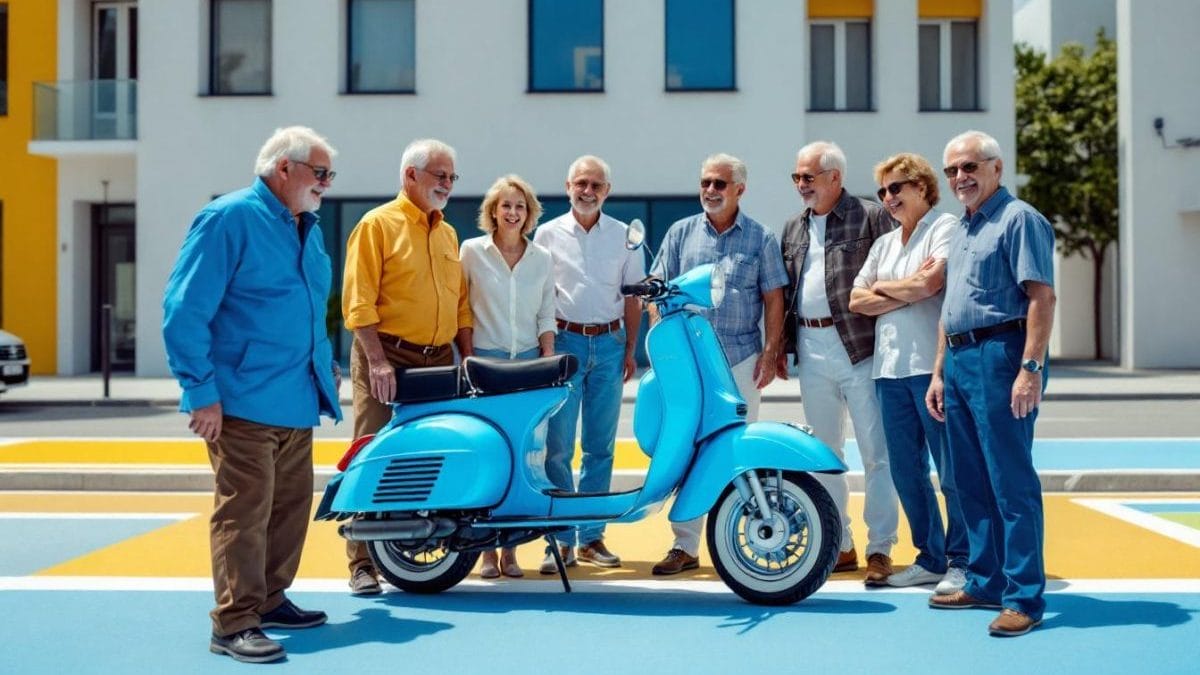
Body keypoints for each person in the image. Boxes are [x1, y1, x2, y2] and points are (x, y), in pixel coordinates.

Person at [162, 126, 342, 664]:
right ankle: (234, 622)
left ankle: (268, 597)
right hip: (239, 401)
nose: (326, 185)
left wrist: (323, 364)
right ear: (283, 168)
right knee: (244, 513)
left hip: (294, 398)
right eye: (320, 173)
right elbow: (184, 310)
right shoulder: (228, 218)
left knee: (288, 509)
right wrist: (200, 391)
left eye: (330, 176)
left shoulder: (304, 227)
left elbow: (308, 309)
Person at [925, 130, 1056, 638]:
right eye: (953, 170)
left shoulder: (1019, 219)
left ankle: (1024, 598)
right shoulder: (960, 228)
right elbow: (949, 306)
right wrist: (938, 372)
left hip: (1001, 356)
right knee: (970, 481)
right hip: (958, 358)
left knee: (1010, 483)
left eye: (970, 167)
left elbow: (1041, 299)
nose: (961, 177)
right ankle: (984, 581)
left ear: (996, 168)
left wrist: (1031, 369)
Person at [341, 138, 472, 595]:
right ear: (410, 176)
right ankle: (361, 562)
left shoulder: (448, 233)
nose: (448, 185)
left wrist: (466, 356)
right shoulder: (377, 225)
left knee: (428, 452)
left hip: (437, 358)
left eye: (453, 177)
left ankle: (409, 547)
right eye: (440, 175)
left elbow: (460, 305)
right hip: (387, 354)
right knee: (372, 449)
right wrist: (377, 361)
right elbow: (357, 301)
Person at [647, 154, 788, 575]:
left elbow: (774, 298)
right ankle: (685, 546)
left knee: (737, 451)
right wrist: (664, 352)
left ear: (739, 189)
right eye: (706, 182)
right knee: (689, 451)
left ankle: (749, 540)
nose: (710, 190)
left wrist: (770, 350)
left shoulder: (761, 238)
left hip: (741, 360)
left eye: (720, 184)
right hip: (691, 367)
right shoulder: (680, 233)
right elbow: (657, 292)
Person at [776, 141, 899, 586]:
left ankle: (880, 547)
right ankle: (841, 543)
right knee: (823, 453)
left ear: (834, 178)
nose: (801, 185)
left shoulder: (871, 216)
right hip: (811, 346)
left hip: (861, 346)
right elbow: (784, 295)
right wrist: (780, 348)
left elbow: (895, 273)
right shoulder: (792, 227)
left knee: (876, 454)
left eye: (808, 177)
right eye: (796, 177)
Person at [848, 152, 968, 594]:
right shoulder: (883, 243)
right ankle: (930, 557)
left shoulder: (945, 227)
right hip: (889, 370)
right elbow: (856, 300)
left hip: (928, 367)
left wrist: (889, 289)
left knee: (951, 471)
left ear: (921, 186)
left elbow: (931, 285)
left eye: (895, 188)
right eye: (881, 191)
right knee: (904, 471)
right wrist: (904, 291)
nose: (887, 197)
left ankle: (962, 560)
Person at [532, 155, 645, 574]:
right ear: (567, 186)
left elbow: (632, 295)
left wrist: (631, 346)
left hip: (611, 344)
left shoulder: (624, 236)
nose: (588, 191)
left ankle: (592, 537)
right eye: (581, 183)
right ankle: (560, 541)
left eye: (596, 185)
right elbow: (539, 295)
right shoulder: (545, 234)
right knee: (558, 447)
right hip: (564, 343)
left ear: (607, 191)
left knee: (600, 446)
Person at [459, 174, 556, 579]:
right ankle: (485, 554)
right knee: (489, 457)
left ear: (529, 214)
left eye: (520, 206)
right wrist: (466, 358)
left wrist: (548, 360)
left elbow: (546, 313)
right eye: (506, 205)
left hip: (529, 362)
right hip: (485, 361)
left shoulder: (542, 259)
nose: (513, 213)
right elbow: (461, 308)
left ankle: (512, 551)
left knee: (524, 458)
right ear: (493, 212)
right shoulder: (471, 252)